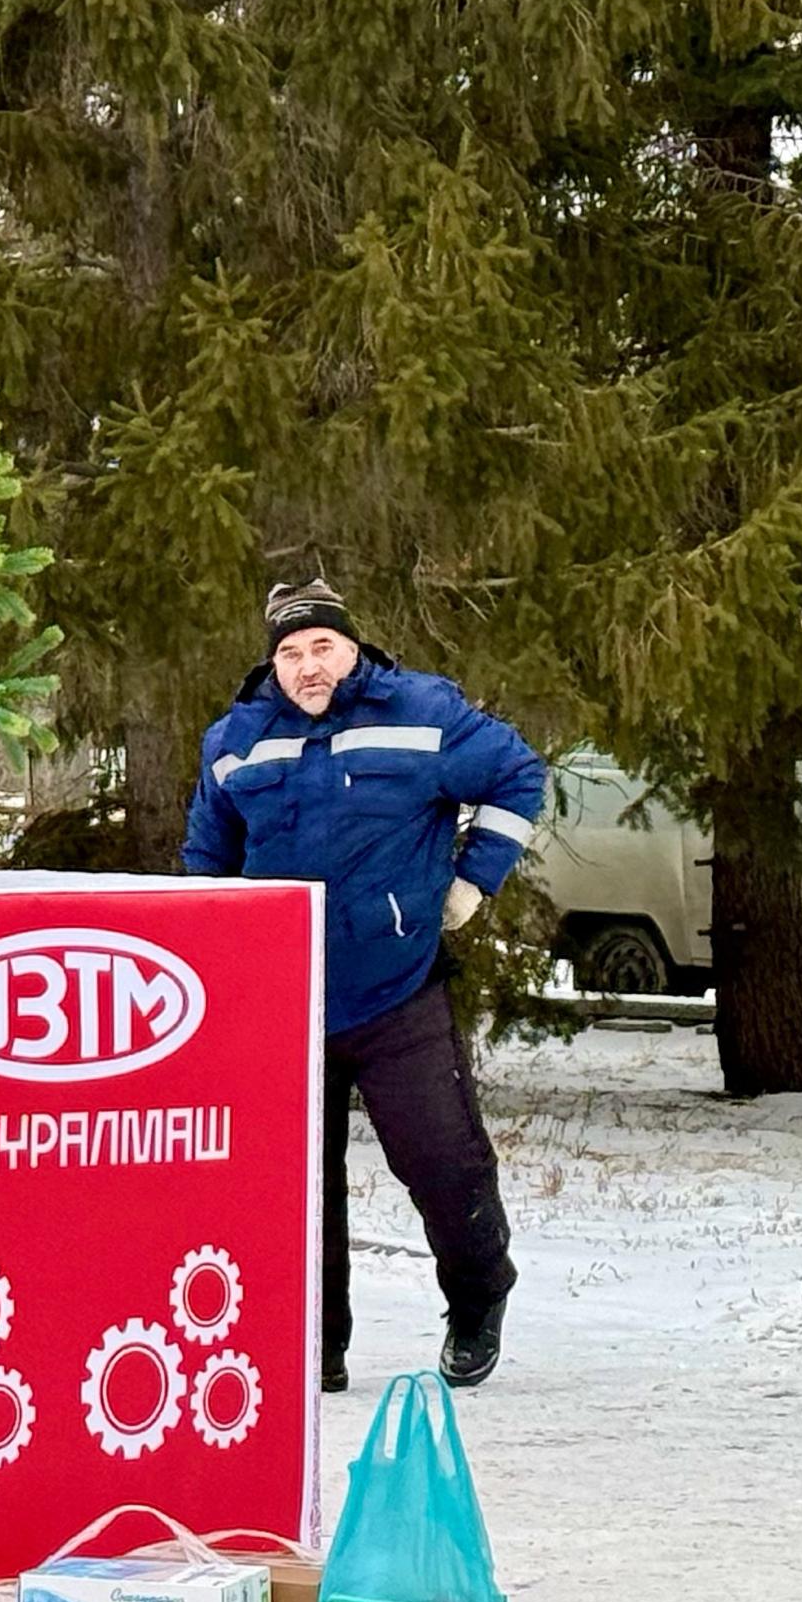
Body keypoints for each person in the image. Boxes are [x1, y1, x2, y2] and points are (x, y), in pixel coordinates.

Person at [183, 580, 545, 1392]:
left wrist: (472, 881)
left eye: (322, 648)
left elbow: (520, 776)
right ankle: (319, 1343)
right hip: (284, 1001)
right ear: (271, 664)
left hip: (397, 990)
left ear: (353, 649)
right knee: (297, 1189)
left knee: (446, 1166)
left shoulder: (422, 712)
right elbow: (207, 854)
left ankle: (480, 1295)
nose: (308, 667)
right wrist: (217, 950)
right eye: (290, 653)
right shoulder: (236, 739)